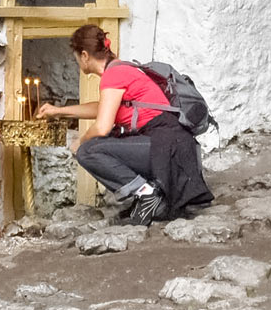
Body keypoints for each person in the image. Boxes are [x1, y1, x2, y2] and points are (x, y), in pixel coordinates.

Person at [35, 25, 213, 225]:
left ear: (84, 55)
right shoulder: (121, 68)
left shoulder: (113, 75)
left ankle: (147, 193)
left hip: (166, 147)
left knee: (89, 151)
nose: (77, 62)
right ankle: (153, 196)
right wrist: (58, 111)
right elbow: (103, 108)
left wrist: (79, 142)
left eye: (76, 57)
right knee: (104, 142)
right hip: (174, 146)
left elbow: (101, 126)